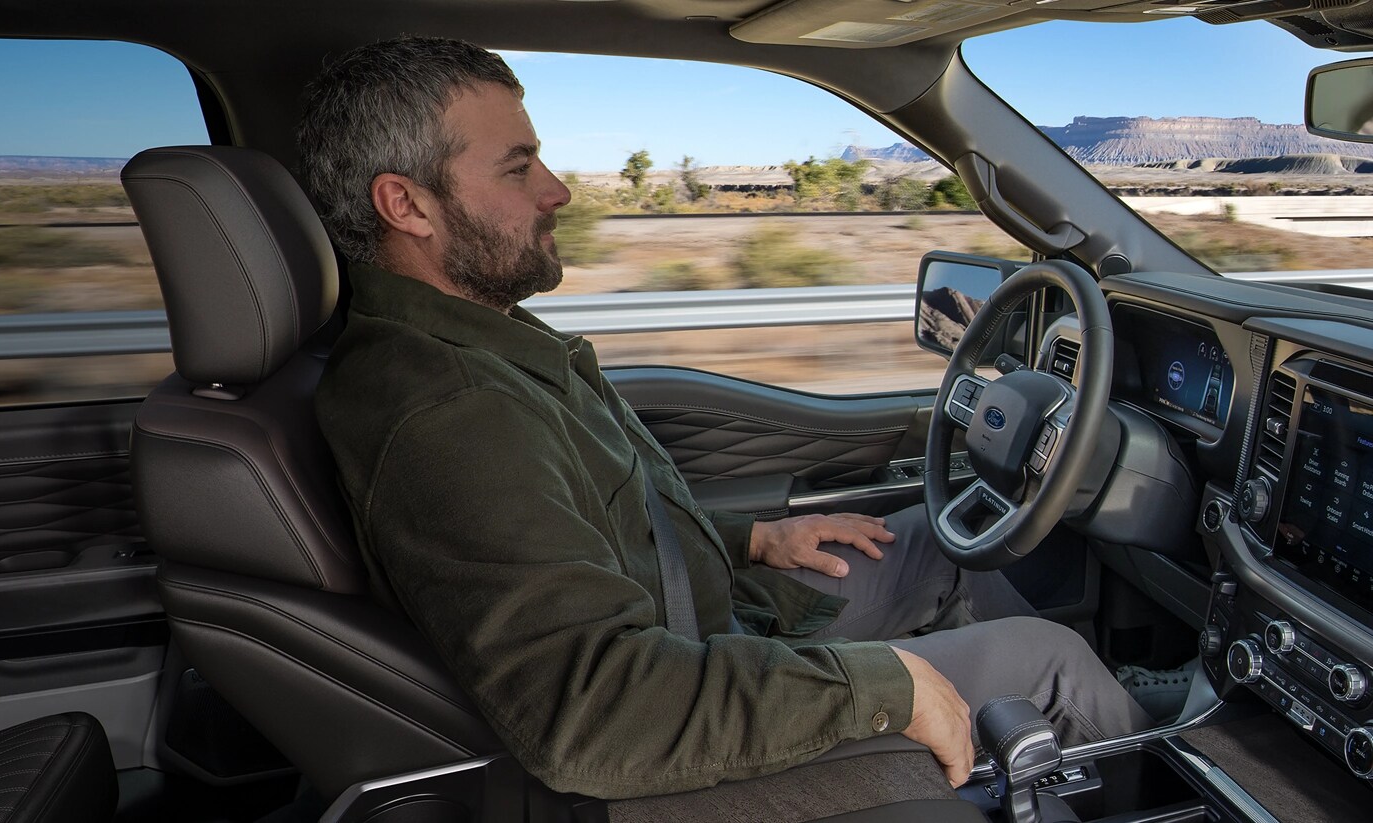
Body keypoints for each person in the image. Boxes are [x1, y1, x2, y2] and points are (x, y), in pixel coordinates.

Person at [298, 35, 1151, 800]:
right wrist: (885, 688)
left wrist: (750, 540)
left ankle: (1024, 748)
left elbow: (587, 520)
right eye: (518, 168)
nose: (557, 191)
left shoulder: (472, 339)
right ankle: (1135, 768)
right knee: (1056, 662)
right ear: (405, 206)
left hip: (713, 624)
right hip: (682, 700)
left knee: (933, 540)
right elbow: (594, 713)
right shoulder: (450, 413)